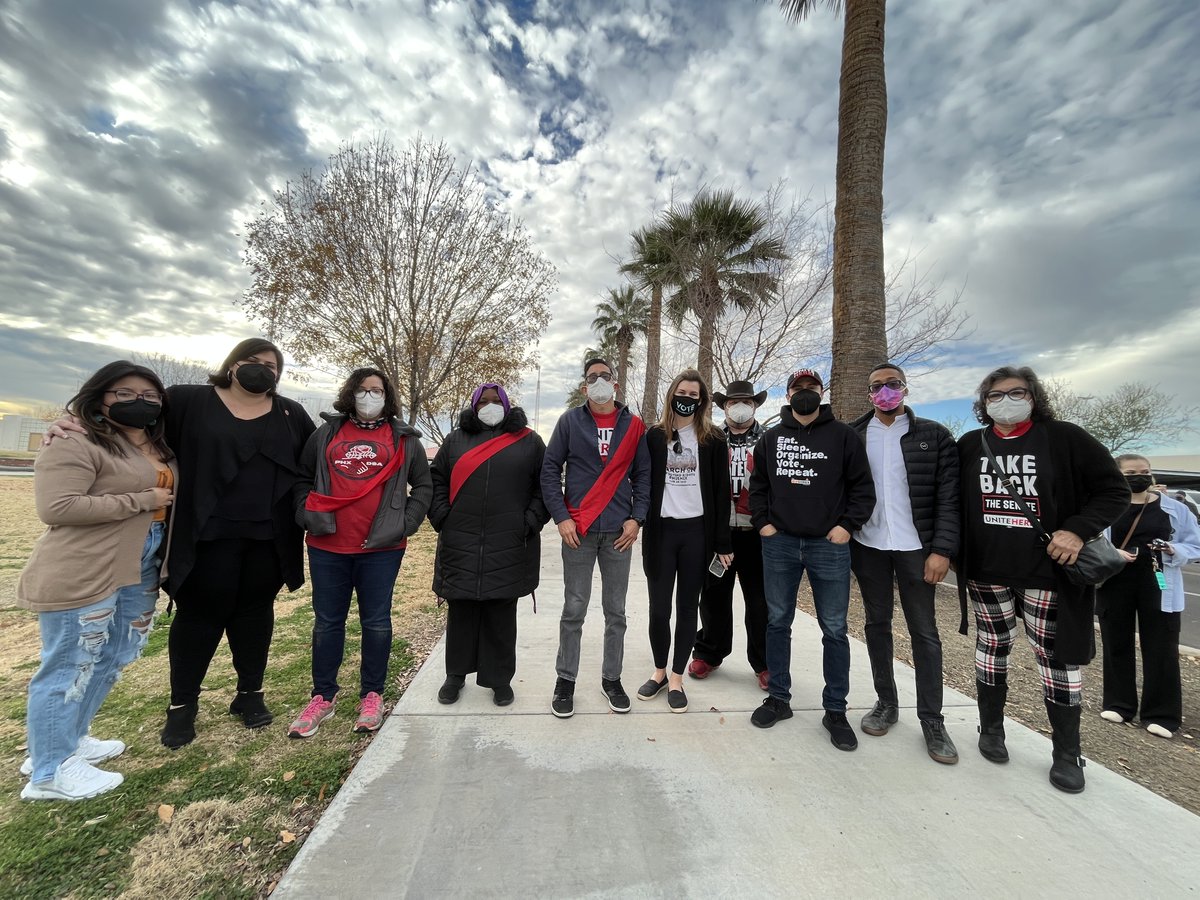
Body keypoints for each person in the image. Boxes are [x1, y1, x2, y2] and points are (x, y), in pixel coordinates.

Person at [956, 365, 1128, 793]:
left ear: (1033, 396)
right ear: (983, 403)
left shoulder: (1064, 438)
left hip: (1048, 571)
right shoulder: (969, 445)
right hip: (986, 568)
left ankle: (1067, 753)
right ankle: (991, 729)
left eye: (1016, 392)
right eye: (995, 396)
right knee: (992, 646)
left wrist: (1077, 529)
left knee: (1056, 658)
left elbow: (1114, 490)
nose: (1005, 401)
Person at [18, 362, 176, 800]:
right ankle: (49, 770)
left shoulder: (157, 444)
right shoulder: (76, 438)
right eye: (125, 394)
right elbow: (58, 507)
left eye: (149, 396)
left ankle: (68, 739)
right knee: (71, 661)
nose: (138, 403)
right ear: (100, 398)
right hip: (86, 563)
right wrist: (143, 499)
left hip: (139, 562)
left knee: (116, 652)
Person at [158, 338, 316, 748]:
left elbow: (320, 457)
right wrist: (75, 425)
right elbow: (134, 434)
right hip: (206, 532)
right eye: (254, 362)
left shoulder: (290, 413)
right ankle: (182, 706)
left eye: (272, 365)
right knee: (199, 615)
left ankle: (249, 695)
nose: (264, 369)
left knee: (254, 613)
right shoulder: (187, 401)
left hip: (268, 536)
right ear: (232, 365)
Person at [288, 369, 432, 738]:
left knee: (377, 622)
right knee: (327, 622)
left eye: (378, 390)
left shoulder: (404, 439)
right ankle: (323, 696)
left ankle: (372, 694)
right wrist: (306, 514)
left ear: (388, 396)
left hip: (381, 548)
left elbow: (424, 486)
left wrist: (406, 523)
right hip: (327, 546)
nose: (370, 396)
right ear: (350, 393)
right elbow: (302, 478)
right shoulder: (326, 435)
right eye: (364, 390)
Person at [747, 369, 876, 750]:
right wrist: (764, 525)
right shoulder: (770, 439)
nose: (804, 393)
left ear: (822, 393)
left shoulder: (844, 436)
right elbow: (759, 488)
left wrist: (847, 527)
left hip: (828, 545)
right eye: (797, 388)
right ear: (788, 395)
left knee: (834, 629)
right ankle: (779, 698)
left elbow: (862, 489)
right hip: (780, 543)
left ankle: (835, 709)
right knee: (777, 622)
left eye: (811, 388)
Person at [848, 363, 960, 765]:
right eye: (876, 386)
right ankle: (886, 703)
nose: (884, 392)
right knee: (877, 625)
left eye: (892, 385)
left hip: (917, 548)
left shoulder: (934, 435)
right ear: (868, 394)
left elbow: (949, 497)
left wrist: (942, 549)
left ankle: (932, 720)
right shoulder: (855, 435)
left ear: (905, 389)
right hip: (869, 545)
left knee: (924, 632)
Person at [541, 356, 651, 718]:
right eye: (593, 377)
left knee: (615, 612)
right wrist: (561, 518)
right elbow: (549, 470)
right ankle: (565, 679)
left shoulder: (634, 426)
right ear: (585, 385)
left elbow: (644, 476)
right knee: (574, 609)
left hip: (619, 533)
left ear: (615, 384)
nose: (600, 381)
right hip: (579, 532)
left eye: (606, 375)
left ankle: (611, 679)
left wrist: (637, 519)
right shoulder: (570, 422)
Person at [428, 382, 548, 707]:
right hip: (461, 540)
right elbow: (435, 479)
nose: (491, 406)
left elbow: (545, 485)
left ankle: (499, 680)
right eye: (485, 401)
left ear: (508, 406)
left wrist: (529, 522)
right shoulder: (455, 440)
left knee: (500, 615)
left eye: (497, 401)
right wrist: (442, 516)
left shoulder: (530, 442)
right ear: (474, 406)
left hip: (509, 543)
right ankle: (455, 675)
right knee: (462, 611)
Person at [637, 370, 732, 713]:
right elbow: (642, 483)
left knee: (688, 608)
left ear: (702, 401)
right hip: (661, 534)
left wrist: (723, 544)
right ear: (671, 395)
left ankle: (677, 676)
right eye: (683, 392)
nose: (688, 398)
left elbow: (722, 496)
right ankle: (660, 671)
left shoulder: (713, 440)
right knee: (659, 610)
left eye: (694, 394)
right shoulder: (653, 437)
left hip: (697, 535)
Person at [1097, 455, 1200, 738]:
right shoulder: (1107, 505)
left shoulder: (1175, 510)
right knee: (1116, 641)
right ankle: (1119, 703)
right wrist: (1111, 553)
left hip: (1159, 582)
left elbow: (1195, 544)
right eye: (1131, 472)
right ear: (1118, 475)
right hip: (1115, 580)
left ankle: (1162, 715)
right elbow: (1091, 540)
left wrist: (1173, 550)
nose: (1139, 477)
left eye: (1145, 472)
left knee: (1162, 646)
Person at [690, 379, 770, 690]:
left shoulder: (769, 439)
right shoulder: (709, 439)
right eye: (733, 402)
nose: (739, 407)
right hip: (718, 534)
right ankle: (709, 652)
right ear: (724, 406)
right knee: (713, 597)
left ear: (754, 406)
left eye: (746, 402)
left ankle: (764, 662)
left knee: (760, 601)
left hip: (756, 531)